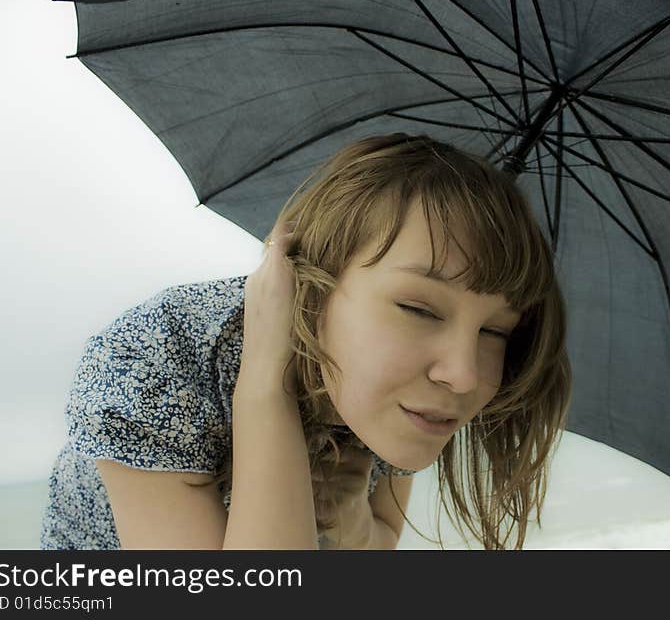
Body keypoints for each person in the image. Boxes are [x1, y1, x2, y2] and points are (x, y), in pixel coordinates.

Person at [40, 133, 572, 550]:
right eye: (417, 308)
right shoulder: (162, 355)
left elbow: (375, 541)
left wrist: (345, 516)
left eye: (495, 331)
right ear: (309, 282)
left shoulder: (404, 398)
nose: (464, 373)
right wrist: (265, 384)